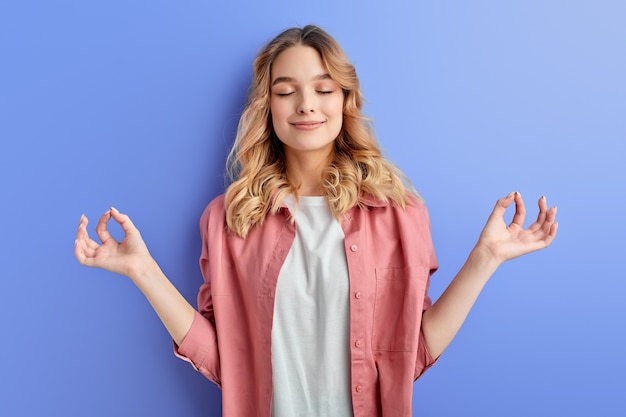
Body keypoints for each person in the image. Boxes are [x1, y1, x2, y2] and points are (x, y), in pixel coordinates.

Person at [74, 25, 558, 417]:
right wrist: (143, 270)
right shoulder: (228, 219)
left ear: (344, 101)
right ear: (268, 109)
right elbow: (229, 362)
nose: (306, 104)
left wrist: (487, 257)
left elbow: (408, 355)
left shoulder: (400, 212)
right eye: (286, 92)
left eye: (323, 89)